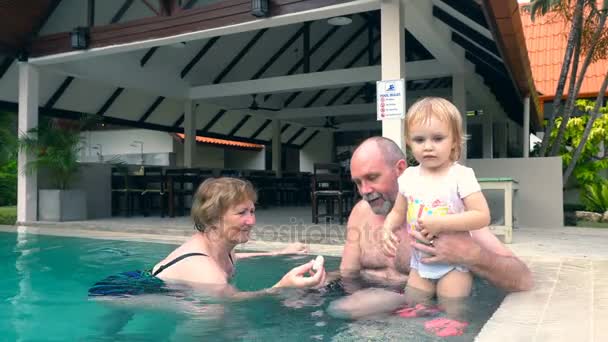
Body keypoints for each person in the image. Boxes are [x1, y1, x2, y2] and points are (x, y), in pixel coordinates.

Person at [331, 135, 533, 322]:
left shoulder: (447, 216)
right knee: (337, 309)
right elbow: (348, 274)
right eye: (358, 183)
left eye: (372, 178)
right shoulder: (360, 213)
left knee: (342, 309)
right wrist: (321, 279)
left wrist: (472, 256)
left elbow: (523, 279)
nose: (364, 191)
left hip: (429, 314)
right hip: (373, 313)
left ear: (400, 170)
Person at [90, 177, 326, 299]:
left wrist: (278, 253)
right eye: (241, 213)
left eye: (252, 211)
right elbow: (232, 299)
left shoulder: (223, 245)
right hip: (124, 291)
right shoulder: (206, 271)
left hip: (145, 281)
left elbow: (238, 256)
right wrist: (282, 287)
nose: (251, 221)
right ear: (213, 218)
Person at [382, 97, 491, 304]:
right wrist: (387, 229)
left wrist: (441, 224)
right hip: (420, 263)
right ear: (409, 141)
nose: (428, 147)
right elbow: (397, 212)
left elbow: (482, 216)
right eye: (419, 140)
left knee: (452, 308)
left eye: (438, 138)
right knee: (413, 305)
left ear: (455, 141)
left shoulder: (461, 175)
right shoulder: (408, 177)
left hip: (454, 264)